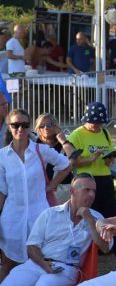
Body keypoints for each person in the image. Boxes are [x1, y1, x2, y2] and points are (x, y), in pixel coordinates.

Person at [0, 109, 73, 272]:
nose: (20, 129)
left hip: (39, 216)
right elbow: (2, 190)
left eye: (24, 125)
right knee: (7, 266)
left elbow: (66, 165)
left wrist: (52, 184)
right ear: (9, 126)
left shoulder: (41, 150)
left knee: (39, 265)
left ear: (30, 127)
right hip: (12, 219)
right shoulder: (2, 156)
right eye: (16, 125)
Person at [67, 102, 116, 217]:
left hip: (105, 179)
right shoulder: (76, 135)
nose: (96, 125)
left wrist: (109, 160)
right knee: (89, 214)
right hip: (86, 181)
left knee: (110, 214)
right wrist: (92, 159)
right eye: (93, 122)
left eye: (100, 123)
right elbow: (73, 162)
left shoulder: (105, 133)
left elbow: (109, 157)